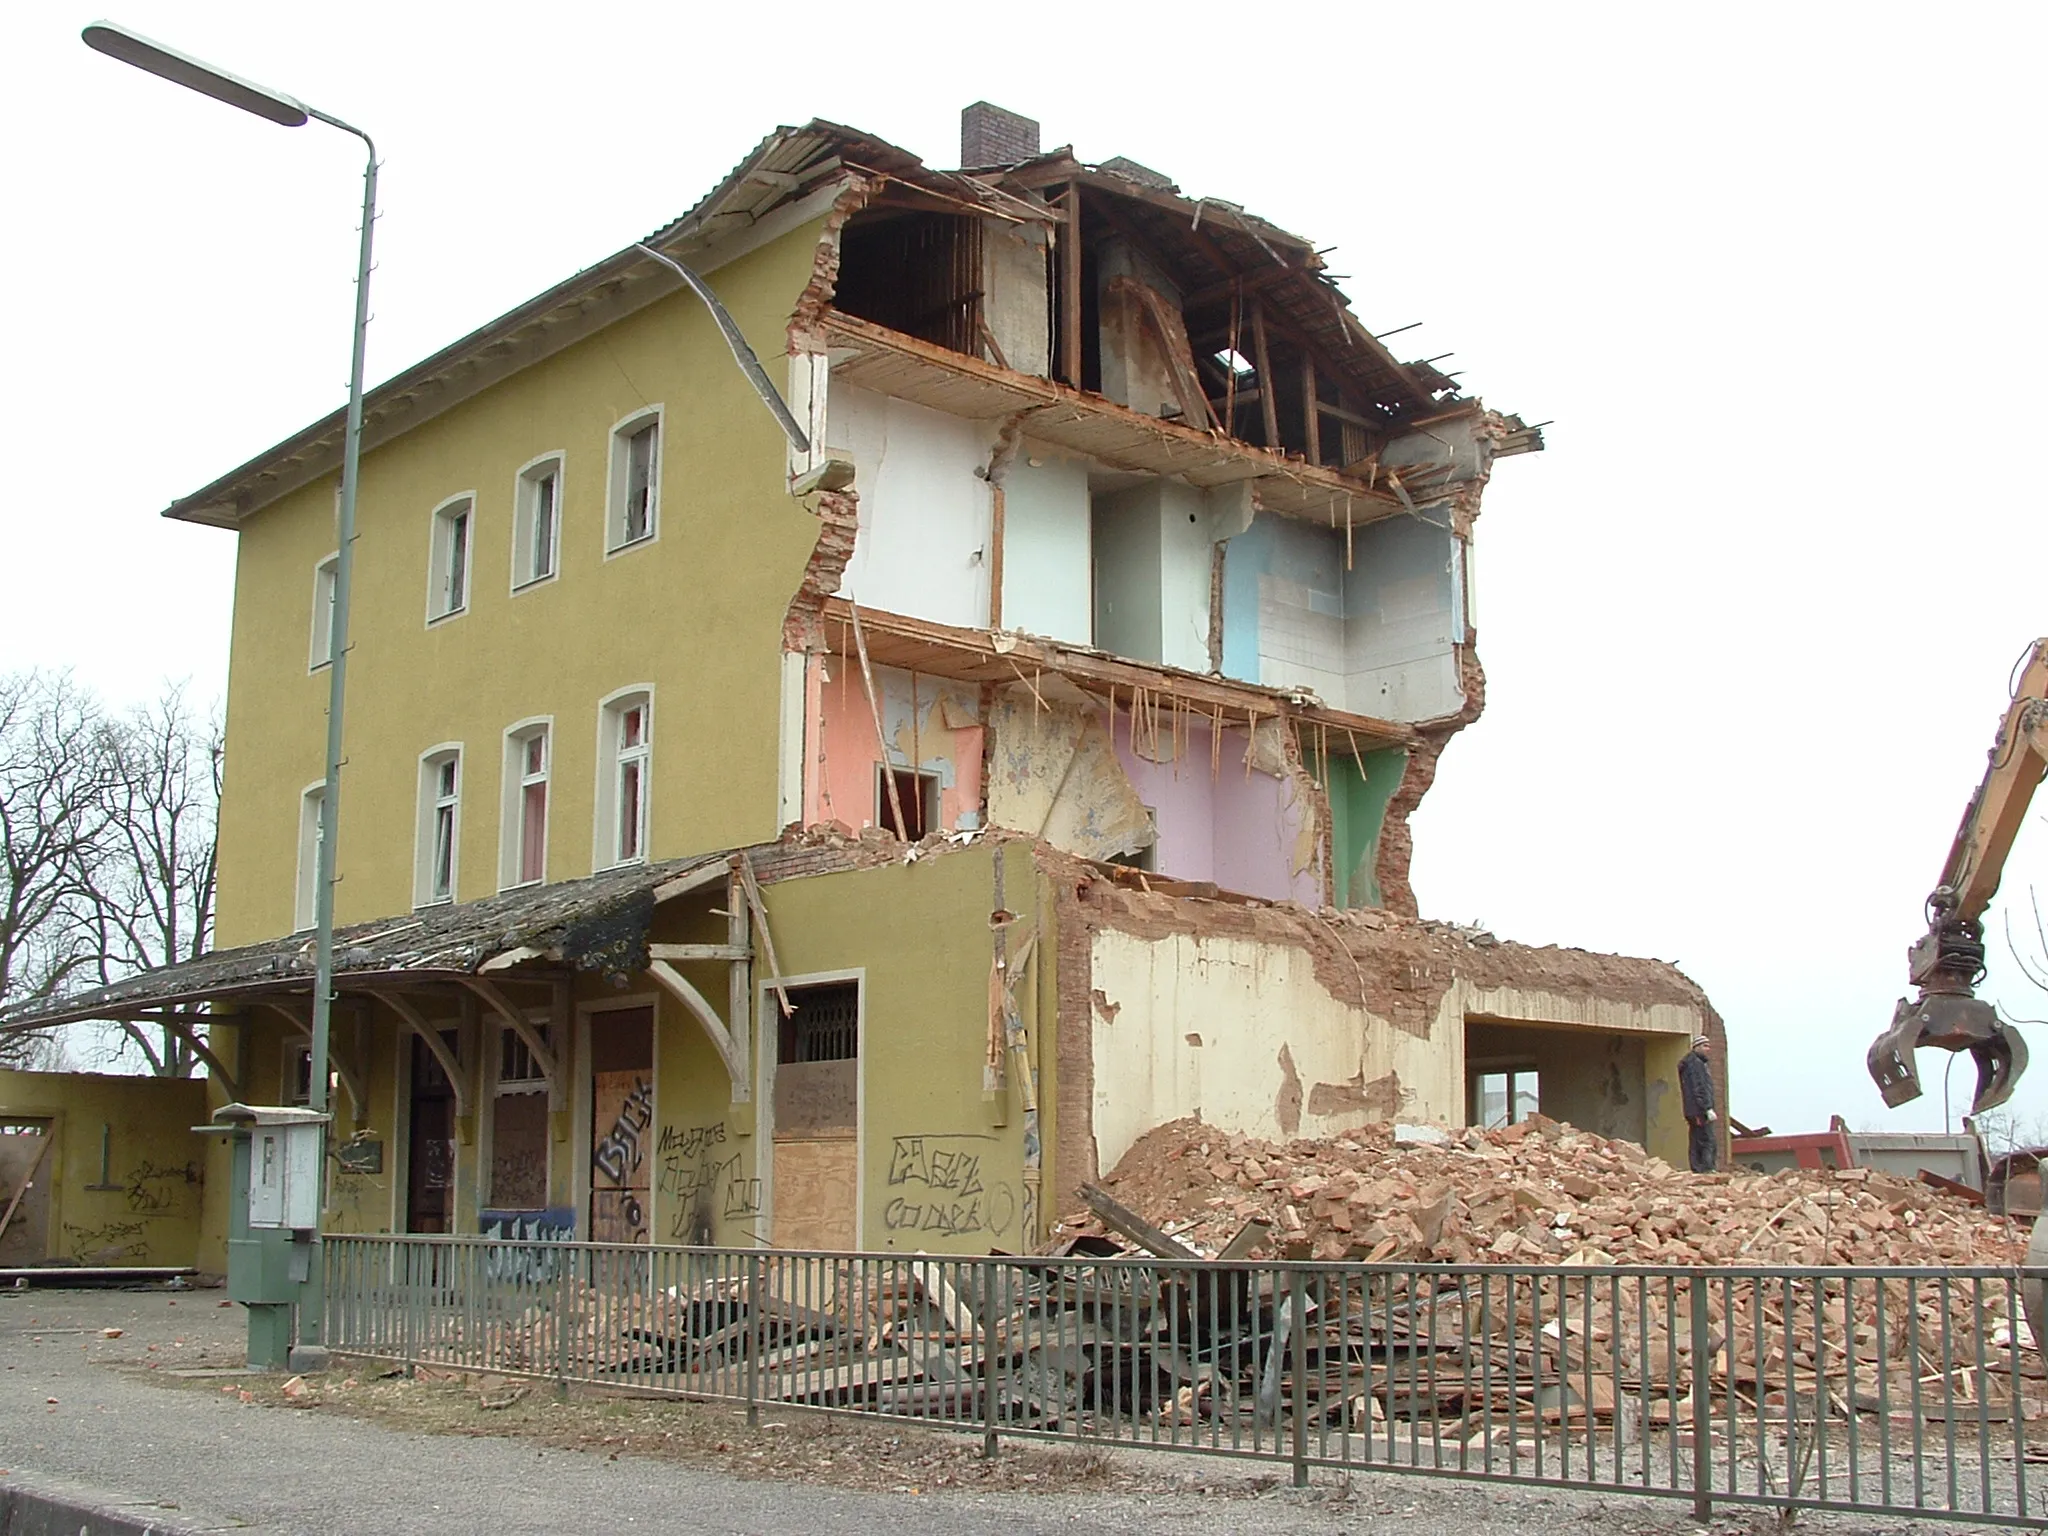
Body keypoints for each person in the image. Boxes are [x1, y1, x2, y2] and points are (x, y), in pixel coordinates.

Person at [1678, 1035, 1718, 1173]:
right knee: (1705, 1139)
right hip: (1698, 1110)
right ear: (1696, 1047)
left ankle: (1699, 1167)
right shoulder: (1695, 1064)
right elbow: (1699, 1087)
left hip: (1694, 1109)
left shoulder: (1693, 1063)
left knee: (1697, 1137)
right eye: (1705, 1046)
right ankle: (1705, 1168)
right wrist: (1707, 1108)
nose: (1708, 1049)